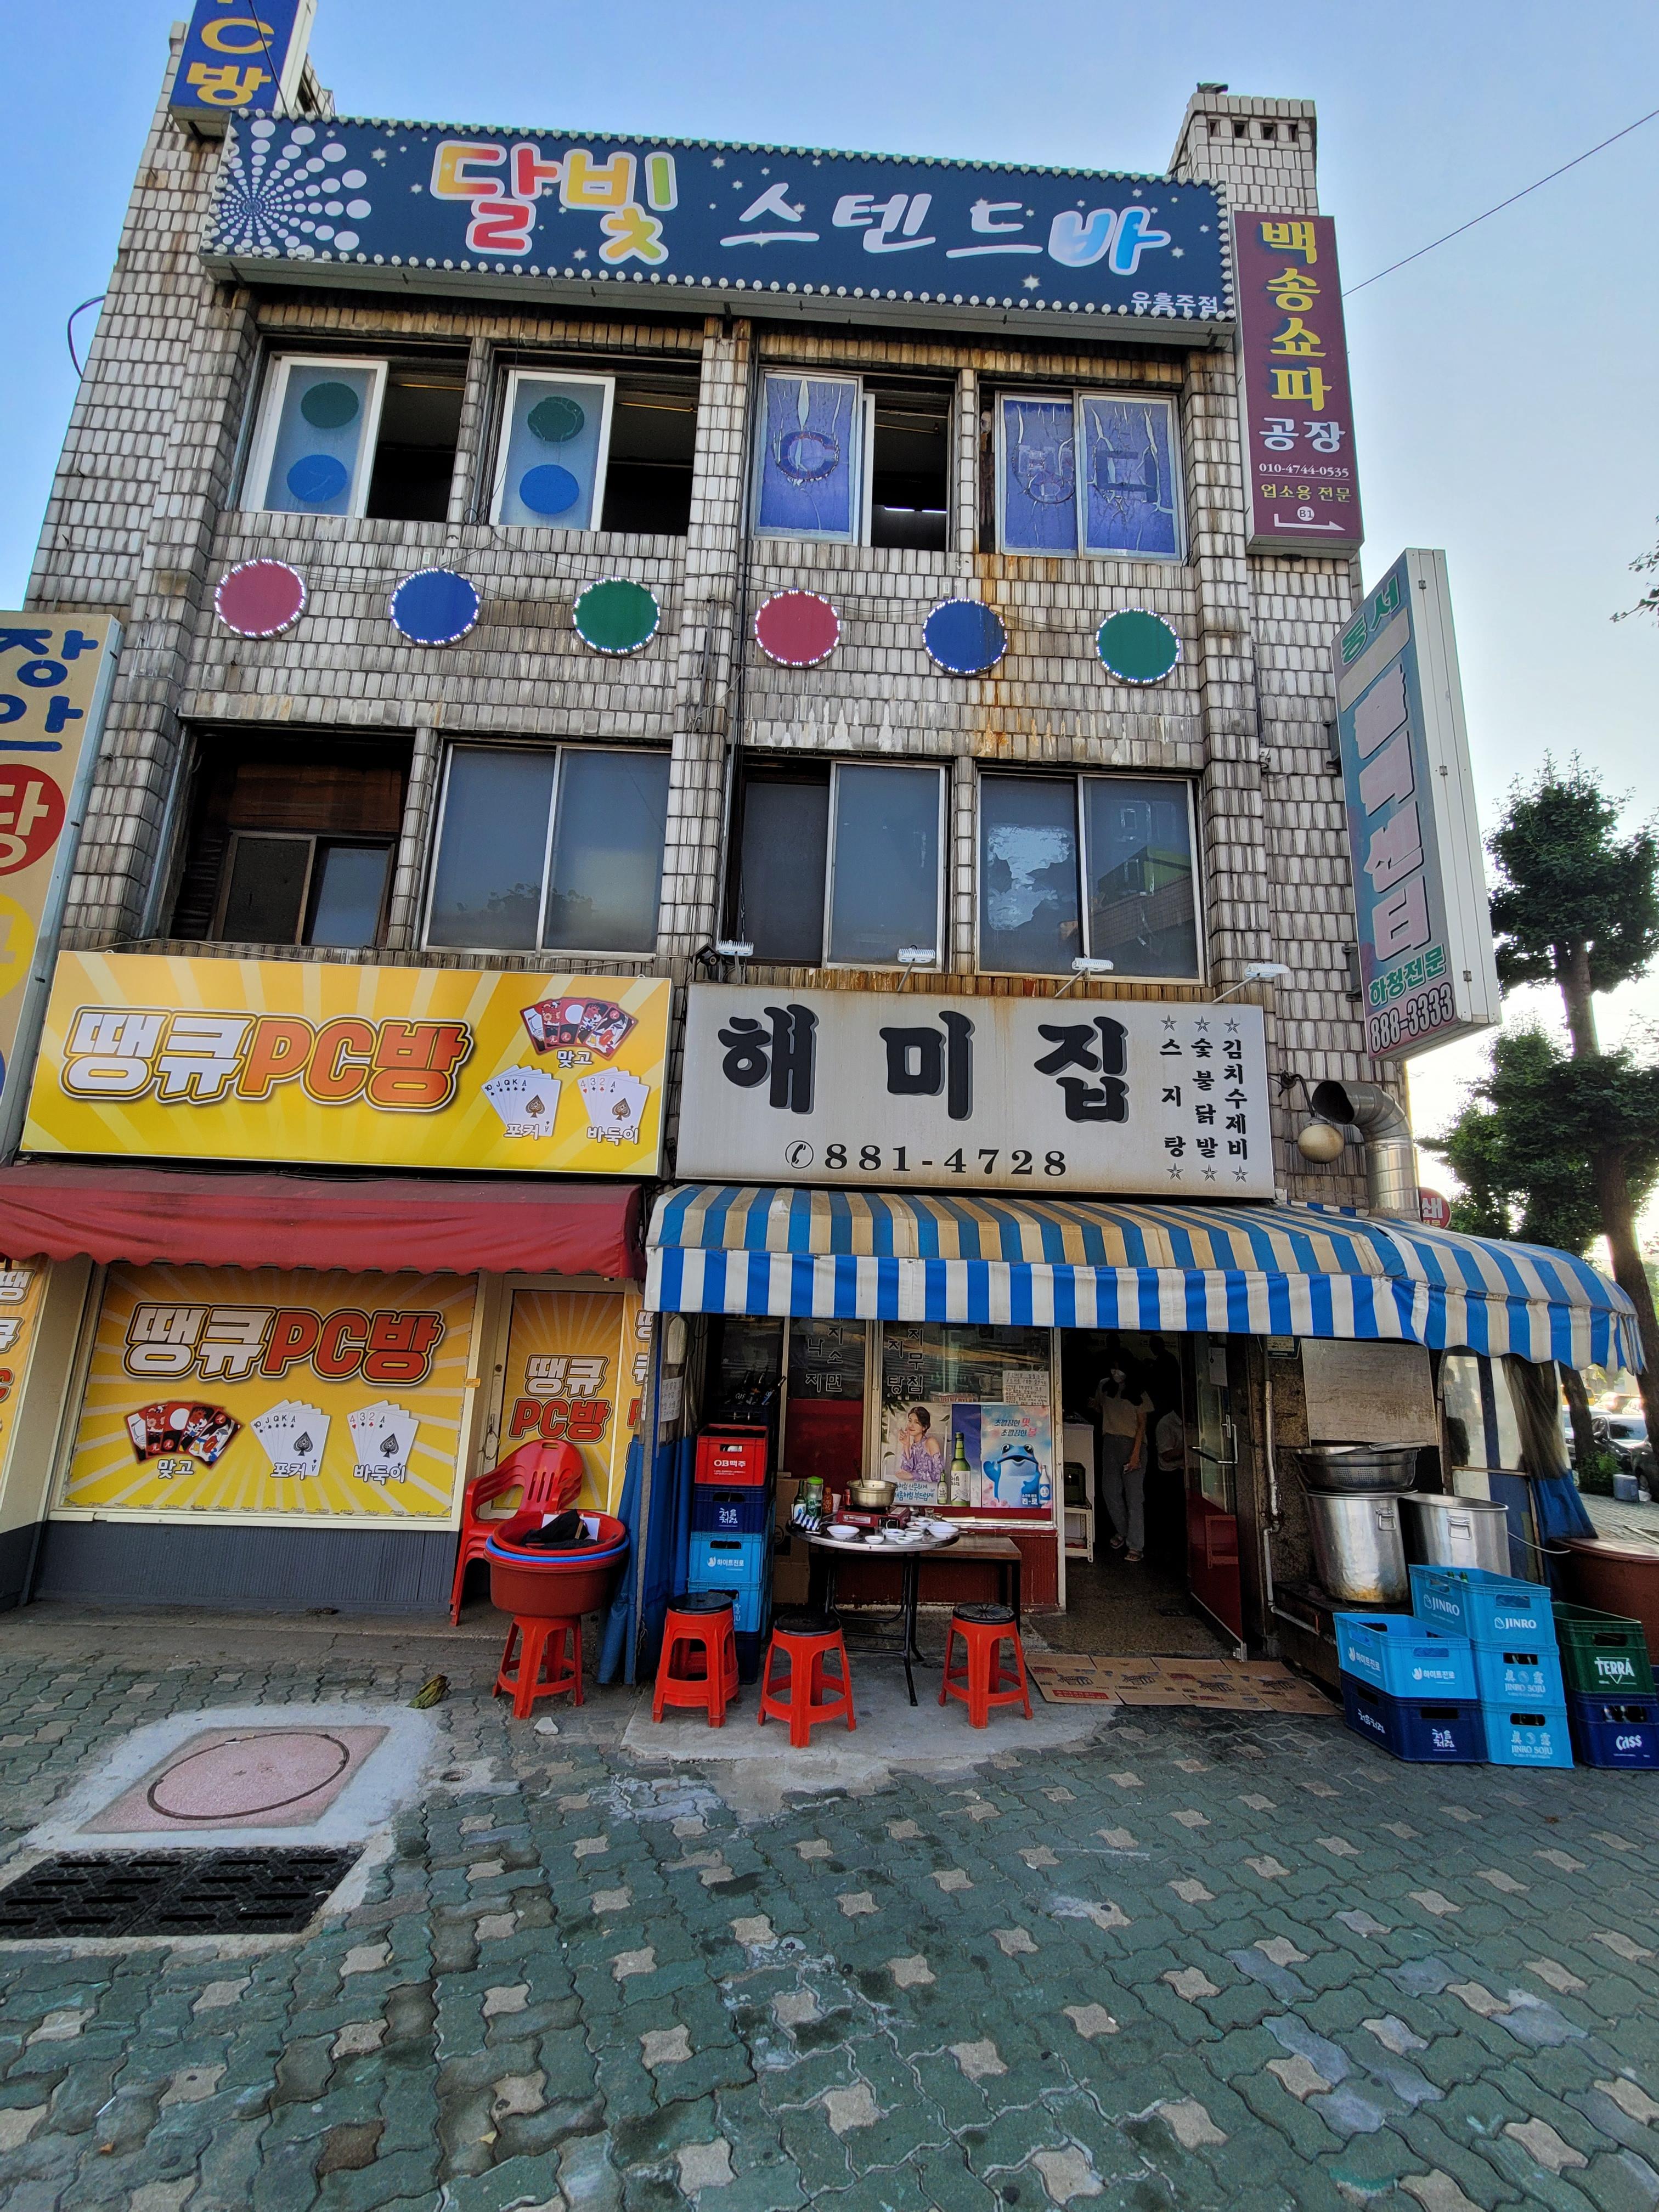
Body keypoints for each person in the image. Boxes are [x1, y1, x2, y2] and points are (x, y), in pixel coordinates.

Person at [1093, 1367, 1152, 1561]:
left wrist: (1136, 1455)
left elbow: (1142, 1425)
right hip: (1110, 1443)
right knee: (1110, 1492)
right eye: (1113, 1368)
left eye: (1120, 1368)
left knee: (1134, 1497)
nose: (1116, 1372)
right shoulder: (1104, 1386)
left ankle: (1136, 1545)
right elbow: (1100, 1407)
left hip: (1133, 1444)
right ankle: (1125, 1532)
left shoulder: (1139, 1392)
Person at [895, 1404, 944, 1488]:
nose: (911, 1425)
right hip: (913, 1491)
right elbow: (905, 1473)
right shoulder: (910, 1445)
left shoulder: (930, 1442)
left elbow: (939, 1475)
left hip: (930, 1491)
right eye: (910, 1421)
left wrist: (913, 1476)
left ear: (924, 1427)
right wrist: (906, 1445)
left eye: (916, 1423)